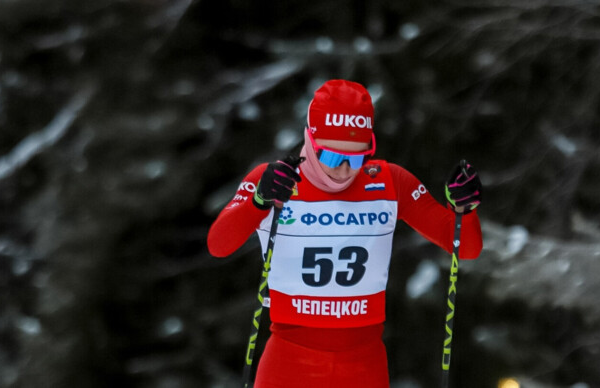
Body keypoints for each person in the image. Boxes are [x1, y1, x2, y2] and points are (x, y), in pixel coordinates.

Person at [207, 79, 483, 387]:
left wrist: (464, 210)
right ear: (310, 141)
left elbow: (464, 247)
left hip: (363, 363)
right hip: (289, 360)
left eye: (355, 158)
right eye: (332, 157)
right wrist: (258, 202)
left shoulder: (390, 182)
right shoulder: (276, 182)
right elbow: (219, 245)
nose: (343, 170)